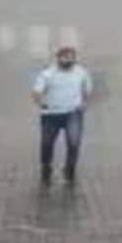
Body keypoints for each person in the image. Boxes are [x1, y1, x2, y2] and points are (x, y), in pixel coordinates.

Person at [33, 44, 94, 185]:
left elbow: (87, 89)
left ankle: (69, 170)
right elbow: (37, 91)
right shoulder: (47, 73)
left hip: (73, 113)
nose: (68, 60)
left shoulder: (81, 72)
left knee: (74, 143)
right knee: (47, 143)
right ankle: (46, 168)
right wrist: (40, 101)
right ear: (58, 58)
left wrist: (85, 103)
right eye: (65, 58)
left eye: (71, 58)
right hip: (51, 114)